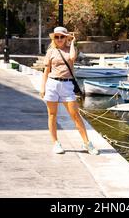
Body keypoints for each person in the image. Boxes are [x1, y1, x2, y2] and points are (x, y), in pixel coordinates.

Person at [40, 27, 99, 156]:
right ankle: (55, 142)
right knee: (52, 115)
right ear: (54, 38)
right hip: (52, 84)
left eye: (62, 36)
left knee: (75, 115)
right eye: (57, 37)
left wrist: (72, 42)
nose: (59, 39)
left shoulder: (71, 49)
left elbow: (72, 58)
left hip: (67, 85)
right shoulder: (51, 51)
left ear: (66, 37)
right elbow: (46, 70)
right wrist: (43, 87)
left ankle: (87, 143)